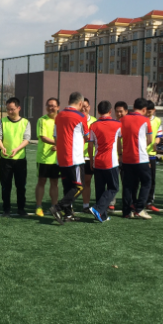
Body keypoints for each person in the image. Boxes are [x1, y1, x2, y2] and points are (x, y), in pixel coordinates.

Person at [48, 92, 89, 225]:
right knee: (79, 186)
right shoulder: (81, 116)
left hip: (61, 157)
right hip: (75, 157)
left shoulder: (59, 116)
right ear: (80, 103)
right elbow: (87, 136)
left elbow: (55, 136)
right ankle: (57, 207)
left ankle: (68, 214)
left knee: (68, 186)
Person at [87, 100, 121, 223]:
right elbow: (119, 142)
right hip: (111, 162)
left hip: (97, 161)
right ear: (110, 111)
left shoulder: (93, 126)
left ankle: (102, 215)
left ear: (98, 111)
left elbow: (90, 145)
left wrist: (91, 160)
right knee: (114, 187)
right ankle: (97, 209)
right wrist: (120, 155)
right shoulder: (118, 124)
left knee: (100, 189)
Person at [0, 97, 31, 217]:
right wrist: (2, 147)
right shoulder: (2, 121)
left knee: (21, 186)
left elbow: (27, 139)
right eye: (8, 109)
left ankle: (21, 209)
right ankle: (6, 209)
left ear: (18, 108)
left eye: (12, 109)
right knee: (5, 186)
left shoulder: (25, 122)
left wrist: (17, 149)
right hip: (5, 160)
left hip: (20, 160)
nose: (10, 112)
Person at [119, 97, 154, 219]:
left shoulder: (122, 119)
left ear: (133, 107)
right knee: (147, 182)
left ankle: (126, 211)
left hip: (126, 157)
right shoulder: (146, 120)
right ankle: (139, 208)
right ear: (144, 109)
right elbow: (150, 140)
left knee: (128, 185)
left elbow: (119, 138)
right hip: (141, 157)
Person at [35, 97, 60, 217]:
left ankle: (54, 206)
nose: (51, 108)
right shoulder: (42, 120)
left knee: (55, 182)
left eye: (53, 106)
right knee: (41, 181)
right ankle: (38, 207)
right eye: (49, 105)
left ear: (58, 107)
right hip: (44, 158)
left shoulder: (61, 120)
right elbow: (43, 137)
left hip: (57, 159)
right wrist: (58, 143)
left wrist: (59, 146)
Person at [145, 100, 163, 212]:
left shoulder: (157, 121)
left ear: (154, 110)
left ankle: (149, 201)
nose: (148, 113)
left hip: (151, 154)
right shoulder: (141, 120)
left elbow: (158, 136)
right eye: (146, 111)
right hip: (140, 154)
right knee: (139, 179)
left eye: (150, 111)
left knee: (152, 179)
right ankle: (136, 201)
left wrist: (155, 143)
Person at [110, 100, 128, 211]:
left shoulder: (129, 124)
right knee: (113, 181)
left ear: (126, 111)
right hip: (114, 158)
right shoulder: (113, 124)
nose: (119, 114)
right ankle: (111, 202)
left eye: (121, 111)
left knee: (126, 182)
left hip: (127, 157)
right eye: (117, 111)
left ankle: (126, 202)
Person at [80, 98, 97, 213]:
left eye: (86, 106)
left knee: (87, 181)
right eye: (82, 106)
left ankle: (86, 205)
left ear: (89, 107)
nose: (84, 109)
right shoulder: (75, 120)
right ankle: (69, 205)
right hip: (78, 157)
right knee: (76, 183)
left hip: (90, 157)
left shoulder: (95, 121)